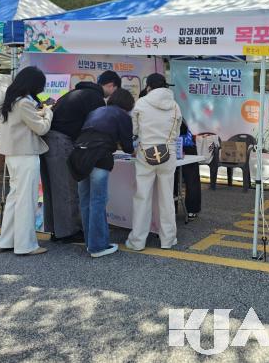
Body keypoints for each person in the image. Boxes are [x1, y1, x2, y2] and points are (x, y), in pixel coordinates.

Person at [40, 70, 121, 243]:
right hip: (61, 141)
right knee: (67, 187)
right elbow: (97, 129)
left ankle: (56, 230)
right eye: (115, 90)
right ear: (111, 85)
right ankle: (69, 232)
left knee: (53, 189)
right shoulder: (95, 98)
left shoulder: (75, 93)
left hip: (48, 140)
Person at [68, 88, 134, 258]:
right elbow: (128, 147)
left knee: (85, 201)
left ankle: (90, 243)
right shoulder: (123, 116)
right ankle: (98, 247)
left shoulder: (96, 111)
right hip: (99, 157)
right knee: (98, 202)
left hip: (79, 157)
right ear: (128, 104)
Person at [0, 66, 53, 255]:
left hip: (12, 156)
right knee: (26, 201)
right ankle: (25, 245)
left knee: (14, 198)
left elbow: (24, 121)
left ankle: (6, 240)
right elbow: (42, 129)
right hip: (26, 155)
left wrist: (40, 113)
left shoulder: (11, 101)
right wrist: (48, 114)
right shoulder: (24, 103)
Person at [126, 74, 181, 251]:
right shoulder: (174, 105)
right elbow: (177, 132)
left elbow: (134, 130)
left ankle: (138, 241)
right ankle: (168, 240)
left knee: (142, 196)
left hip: (146, 153)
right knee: (166, 197)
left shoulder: (141, 103)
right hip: (168, 152)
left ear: (149, 87)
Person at [173, 116, 203, 220]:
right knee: (191, 179)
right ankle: (191, 210)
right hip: (179, 143)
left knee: (173, 177)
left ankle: (174, 209)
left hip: (179, 143)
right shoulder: (174, 110)